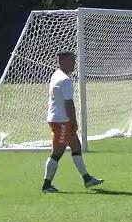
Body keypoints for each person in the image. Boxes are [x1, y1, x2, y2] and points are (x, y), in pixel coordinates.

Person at [42, 51, 103, 193]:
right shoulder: (65, 80)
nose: (74, 63)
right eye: (71, 61)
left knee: (76, 146)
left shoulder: (56, 75)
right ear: (62, 61)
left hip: (59, 118)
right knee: (57, 152)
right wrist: (74, 122)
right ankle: (46, 185)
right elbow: (69, 103)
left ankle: (87, 179)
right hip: (62, 120)